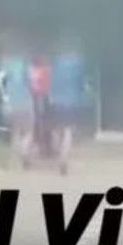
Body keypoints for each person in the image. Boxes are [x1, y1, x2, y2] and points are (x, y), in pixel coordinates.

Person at [0, 42, 34, 167]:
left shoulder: (4, 63)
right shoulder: (25, 63)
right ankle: (24, 153)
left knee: (15, 132)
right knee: (28, 131)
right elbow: (31, 81)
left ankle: (15, 160)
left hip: (10, 102)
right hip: (25, 101)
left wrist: (5, 96)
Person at [49, 44, 86, 175]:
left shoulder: (56, 64)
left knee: (56, 130)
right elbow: (81, 83)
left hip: (55, 101)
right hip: (72, 101)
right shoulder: (78, 64)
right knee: (68, 132)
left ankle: (57, 150)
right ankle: (63, 158)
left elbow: (51, 82)